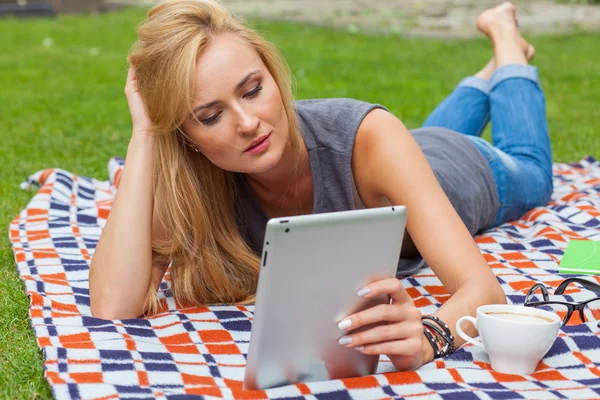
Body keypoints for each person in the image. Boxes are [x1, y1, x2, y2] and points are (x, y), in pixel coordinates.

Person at [89, 0, 553, 371]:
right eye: (211, 116)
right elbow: (113, 304)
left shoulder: (368, 136)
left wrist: (432, 335)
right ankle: (485, 76)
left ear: (275, 75)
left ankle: (506, 43)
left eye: (253, 90)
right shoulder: (196, 184)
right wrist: (145, 134)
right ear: (185, 137)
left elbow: (484, 291)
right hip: (406, 154)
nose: (248, 123)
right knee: (416, 138)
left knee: (532, 173)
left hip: (466, 169)